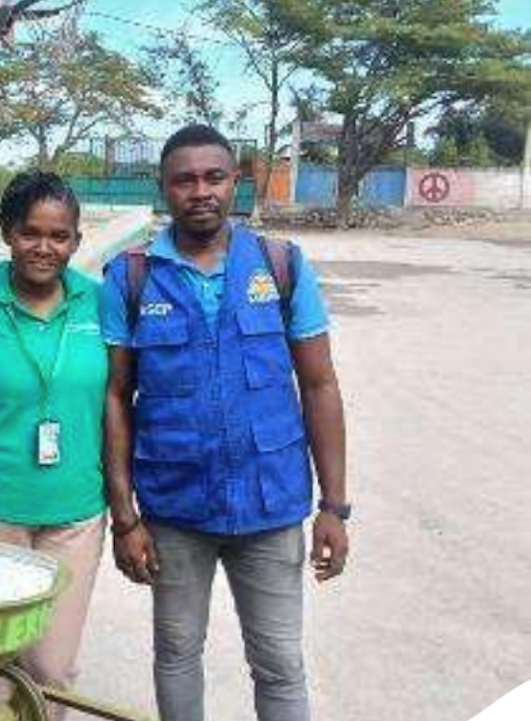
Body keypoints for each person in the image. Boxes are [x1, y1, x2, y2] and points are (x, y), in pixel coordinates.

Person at [99, 124, 350, 721]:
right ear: (164, 189)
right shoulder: (129, 278)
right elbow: (115, 397)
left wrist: (335, 507)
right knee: (178, 652)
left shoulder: (281, 265)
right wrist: (124, 517)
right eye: (184, 180)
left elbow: (320, 385)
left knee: (279, 663)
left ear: (236, 182)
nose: (201, 191)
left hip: (271, 504)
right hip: (174, 508)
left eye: (214, 177)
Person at [0, 171, 108, 712]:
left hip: (77, 512)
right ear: (7, 233)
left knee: (51, 667)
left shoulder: (99, 303)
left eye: (59, 236)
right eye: (30, 233)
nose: (44, 247)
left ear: (76, 241)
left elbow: (120, 401)